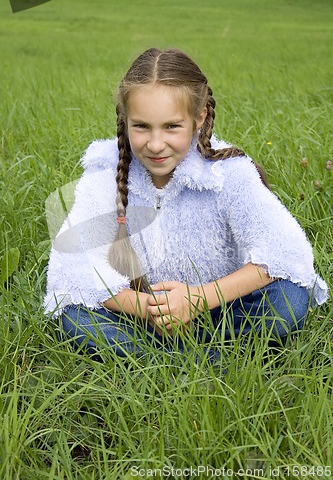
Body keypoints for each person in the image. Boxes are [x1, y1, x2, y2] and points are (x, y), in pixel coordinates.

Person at [44, 47, 328, 359]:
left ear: (199, 118)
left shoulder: (229, 174)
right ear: (125, 120)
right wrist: (152, 309)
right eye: (141, 126)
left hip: (222, 310)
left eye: (171, 126)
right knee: (75, 317)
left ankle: (157, 363)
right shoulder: (103, 175)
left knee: (289, 298)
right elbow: (75, 271)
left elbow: (286, 253)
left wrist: (197, 300)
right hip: (141, 317)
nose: (155, 144)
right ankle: (206, 363)